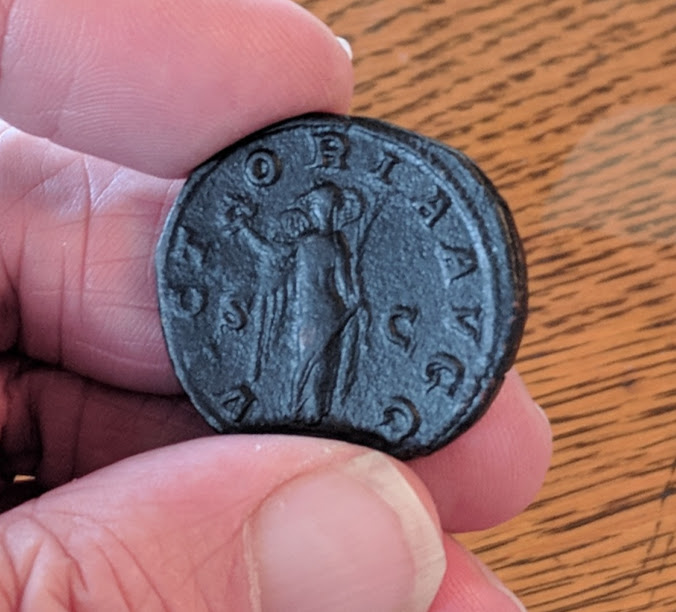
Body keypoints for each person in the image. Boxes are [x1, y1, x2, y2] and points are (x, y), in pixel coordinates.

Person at [0, 2, 552, 611]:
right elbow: (286, 268)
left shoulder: (327, 243)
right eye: (314, 206)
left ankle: (310, 414)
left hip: (324, 323)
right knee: (307, 382)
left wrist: (277, 256)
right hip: (314, 323)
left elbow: (320, 279)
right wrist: (247, 234)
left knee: (313, 384)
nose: (312, 211)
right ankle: (308, 414)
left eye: (319, 206)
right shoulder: (317, 243)